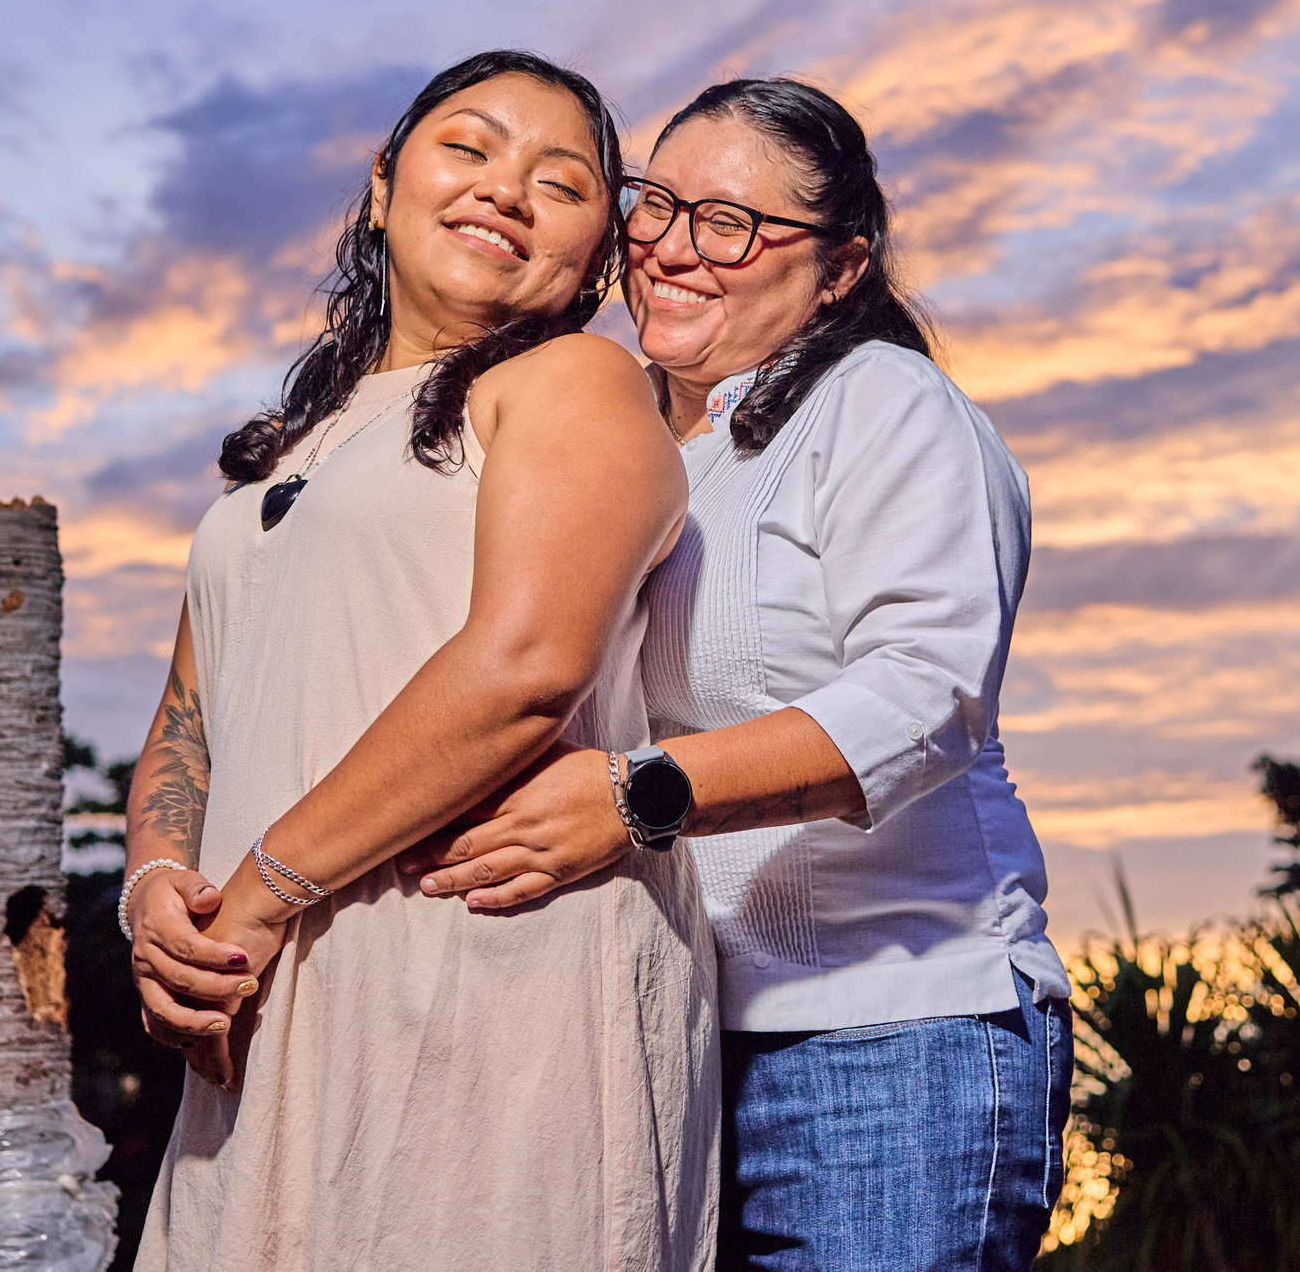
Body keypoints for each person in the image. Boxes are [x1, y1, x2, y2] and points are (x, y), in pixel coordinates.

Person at [403, 78, 1071, 1271]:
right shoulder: (639, 442)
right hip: (678, 1039)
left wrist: (631, 794)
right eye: (656, 205)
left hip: (890, 1033)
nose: (669, 249)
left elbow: (927, 693)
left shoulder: (885, 405)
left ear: (840, 266)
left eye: (731, 224)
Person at [117, 51, 714, 1271]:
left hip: (485, 975)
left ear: (599, 255)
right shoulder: (288, 451)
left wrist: (265, 889)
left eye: (562, 180)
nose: (508, 188)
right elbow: (190, 713)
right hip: (261, 998)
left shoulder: (574, 381)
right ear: (383, 186)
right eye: (470, 147)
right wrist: (155, 897)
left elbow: (529, 665)